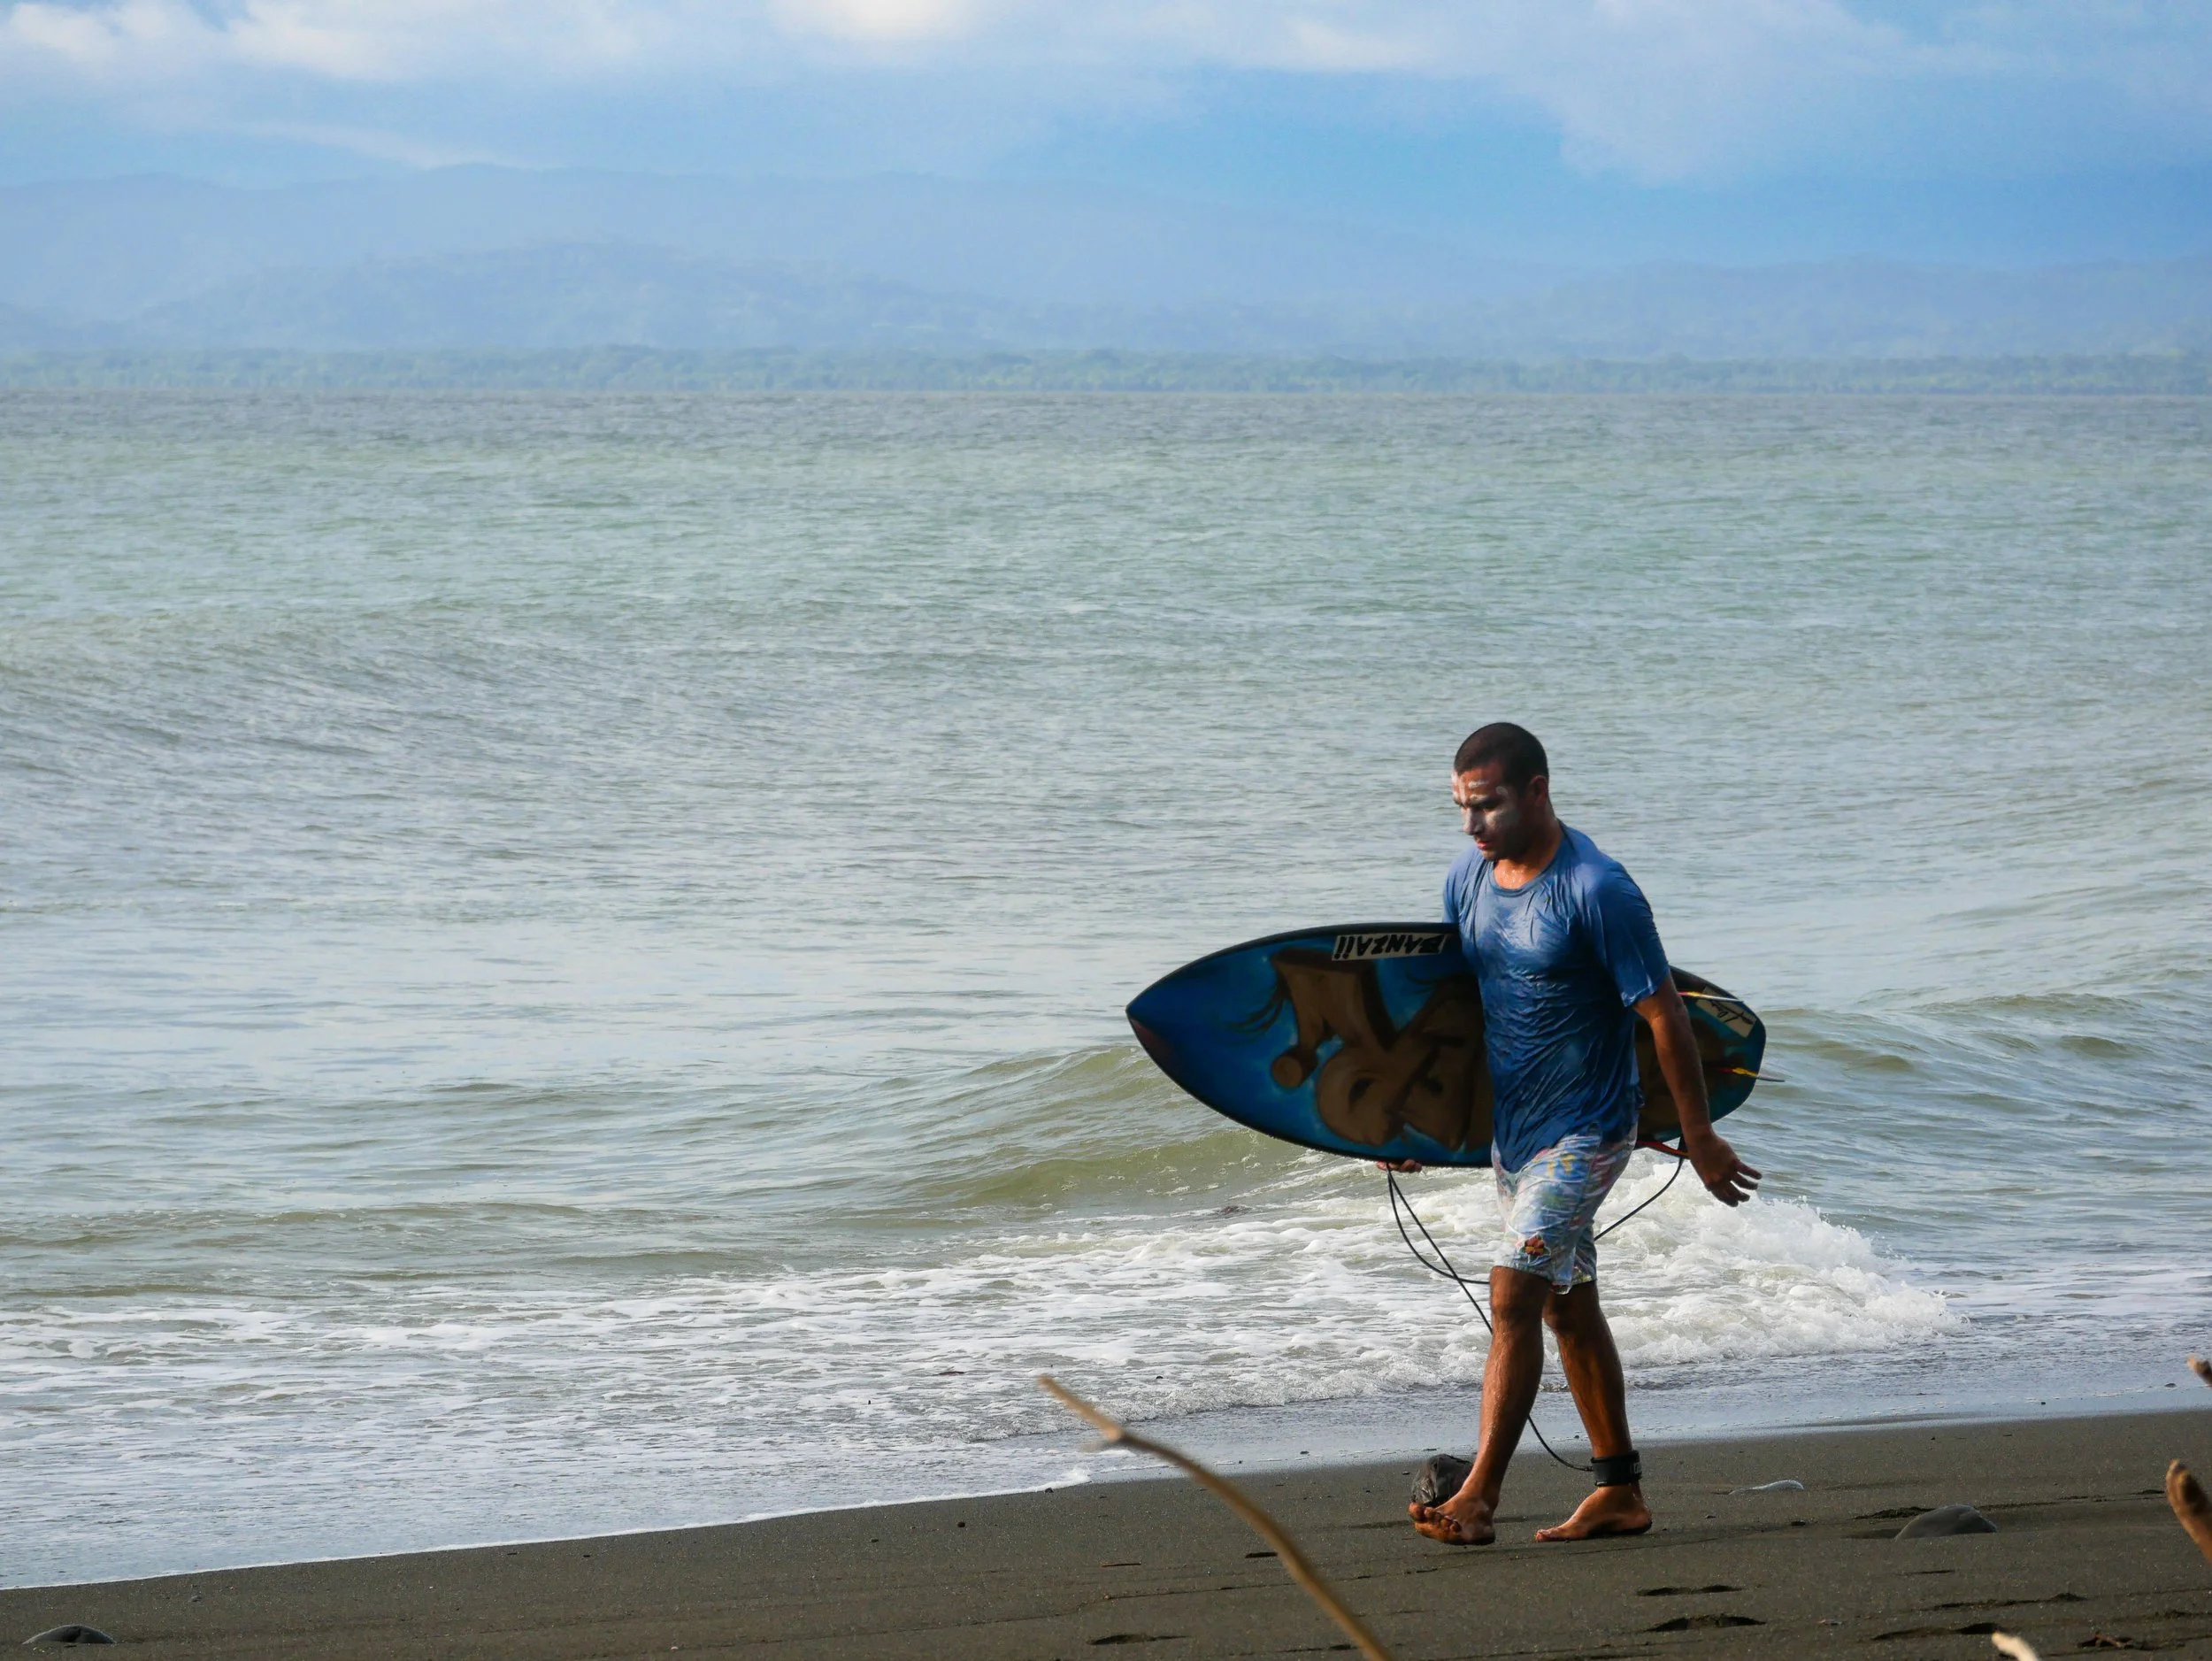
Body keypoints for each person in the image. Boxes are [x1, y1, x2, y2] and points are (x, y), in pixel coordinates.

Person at [1399, 721, 1759, 1546]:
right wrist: (1418, 1115)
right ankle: (1620, 1490)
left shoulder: (1599, 889)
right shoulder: (1468, 878)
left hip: (1588, 1130)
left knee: (1514, 1295)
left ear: (1536, 791)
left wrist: (1699, 1135)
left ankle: (1480, 1493)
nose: (1470, 825)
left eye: (1485, 805)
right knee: (1566, 1305)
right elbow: (1453, 1008)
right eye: (1460, 807)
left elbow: (1665, 1011)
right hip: (1515, 1134)